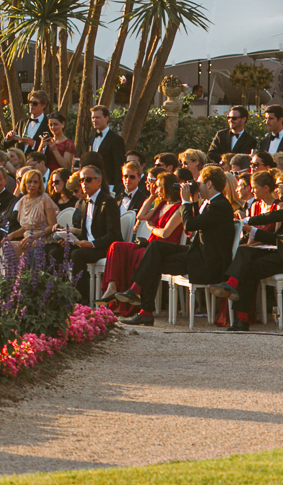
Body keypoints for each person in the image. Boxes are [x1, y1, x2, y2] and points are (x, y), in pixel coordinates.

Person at [119, 166, 236, 325]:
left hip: (208, 263)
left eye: (199, 182)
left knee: (155, 260)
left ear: (209, 184)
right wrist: (192, 200)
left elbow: (189, 225)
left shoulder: (220, 205)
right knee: (155, 247)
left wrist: (186, 200)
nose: (197, 185)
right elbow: (195, 222)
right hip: (198, 254)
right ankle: (138, 297)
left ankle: (141, 303)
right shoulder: (211, 203)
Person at [212, 169, 283, 330]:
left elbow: (273, 216)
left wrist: (248, 220)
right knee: (245, 252)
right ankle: (232, 286)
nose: (277, 188)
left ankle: (242, 318)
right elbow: (279, 238)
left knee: (249, 268)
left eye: (279, 185)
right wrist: (252, 231)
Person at [100, 171, 184, 311]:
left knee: (138, 255)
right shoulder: (162, 205)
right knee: (116, 246)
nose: (156, 190)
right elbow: (141, 215)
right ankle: (111, 287)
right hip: (150, 245)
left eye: (159, 187)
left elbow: (165, 233)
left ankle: (133, 299)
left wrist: (151, 227)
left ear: (167, 187)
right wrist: (152, 197)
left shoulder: (179, 208)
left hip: (160, 249)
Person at [7, 167, 59, 256]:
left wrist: (33, 237)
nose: (32, 185)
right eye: (29, 182)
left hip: (43, 241)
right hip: (26, 240)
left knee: (9, 249)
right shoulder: (22, 200)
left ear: (40, 184)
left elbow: (52, 226)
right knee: (6, 248)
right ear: (24, 183)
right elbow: (25, 227)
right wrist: (12, 234)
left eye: (35, 182)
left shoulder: (45, 199)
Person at [82, 105, 127, 191]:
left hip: (109, 185)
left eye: (98, 117)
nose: (95, 120)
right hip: (92, 185)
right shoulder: (91, 140)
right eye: (93, 118)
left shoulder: (116, 139)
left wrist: (116, 188)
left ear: (106, 118)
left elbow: (119, 165)